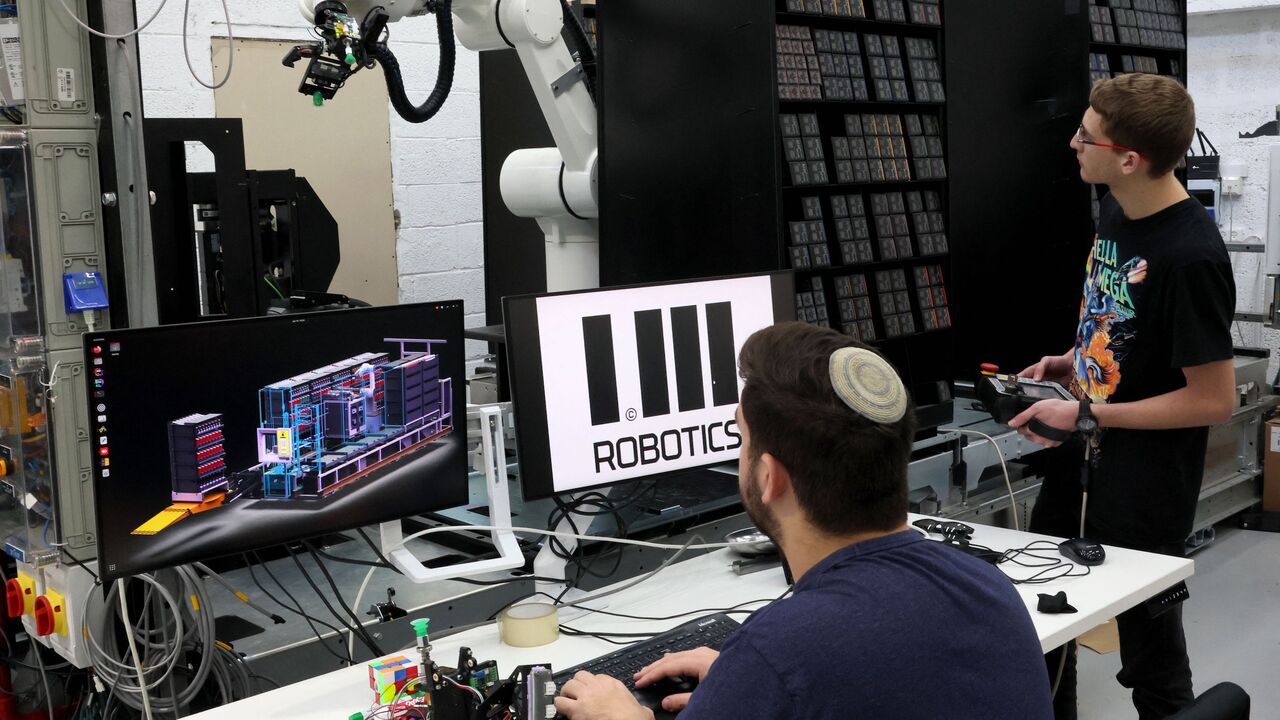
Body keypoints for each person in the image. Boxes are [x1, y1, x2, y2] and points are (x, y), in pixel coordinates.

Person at [554, 322, 1054, 720]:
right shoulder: (985, 586)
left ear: (770, 478)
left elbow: (811, 666)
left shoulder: (781, 649)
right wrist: (743, 685)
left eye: (741, 439)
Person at [1010, 73, 1236, 720]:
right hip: (1077, 463)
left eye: (1087, 136)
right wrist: (1073, 360)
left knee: (1151, 660)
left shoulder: (1191, 257)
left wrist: (1086, 411)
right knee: (1046, 630)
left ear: (1130, 159)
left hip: (1144, 489)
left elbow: (1214, 400)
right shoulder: (1116, 209)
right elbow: (1120, 320)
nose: (1074, 143)